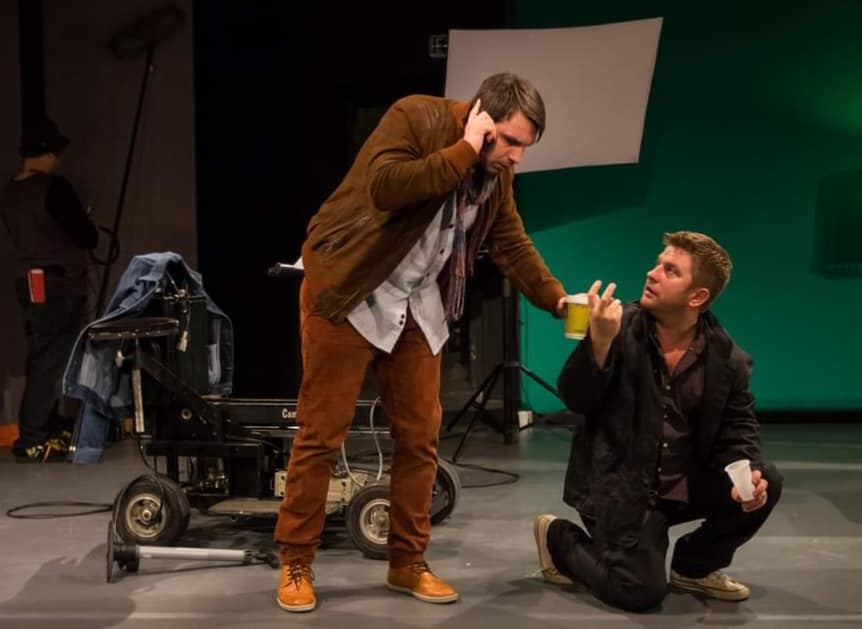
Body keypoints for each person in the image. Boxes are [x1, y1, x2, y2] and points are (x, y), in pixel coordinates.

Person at [274, 73, 567, 612]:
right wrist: (463, 150)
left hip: (414, 298)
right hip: (349, 288)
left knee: (420, 436)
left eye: (525, 146)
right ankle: (296, 560)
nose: (517, 157)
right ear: (481, 119)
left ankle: (407, 561)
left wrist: (558, 300)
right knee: (322, 433)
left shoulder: (495, 175)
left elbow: (509, 242)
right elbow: (387, 187)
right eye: (510, 141)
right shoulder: (416, 117)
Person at [533, 231, 783, 612]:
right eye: (657, 264)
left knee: (768, 480)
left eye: (670, 270)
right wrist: (598, 343)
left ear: (697, 297)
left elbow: (738, 427)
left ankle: (693, 567)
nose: (652, 274)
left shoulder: (726, 357)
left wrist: (747, 472)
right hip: (622, 486)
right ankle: (556, 537)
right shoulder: (619, 328)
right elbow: (575, 398)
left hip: (682, 483)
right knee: (640, 592)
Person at [1, 116, 98, 462]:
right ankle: (33, 436)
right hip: (58, 283)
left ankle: (47, 426)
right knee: (51, 358)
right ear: (47, 154)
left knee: (44, 355)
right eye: (55, 154)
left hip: (29, 281)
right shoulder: (54, 188)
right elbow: (86, 235)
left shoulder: (10, 191)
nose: (58, 160)